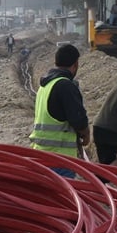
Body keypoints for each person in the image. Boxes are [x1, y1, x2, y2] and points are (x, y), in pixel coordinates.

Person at [29, 44, 91, 178]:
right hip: (59, 158)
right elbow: (78, 120)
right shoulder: (65, 85)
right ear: (75, 64)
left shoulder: (45, 85)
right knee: (62, 197)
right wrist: (86, 134)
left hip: (41, 154)